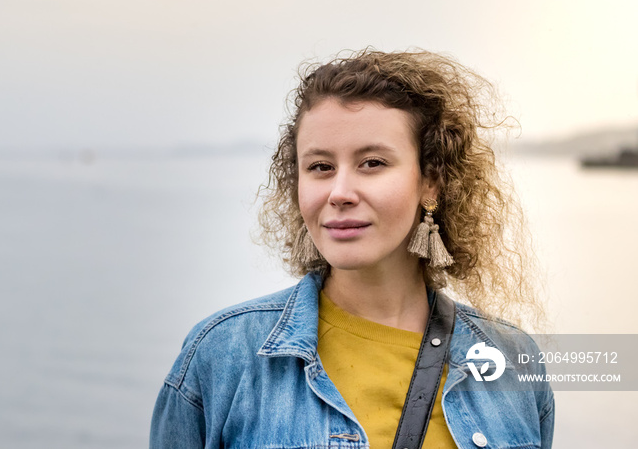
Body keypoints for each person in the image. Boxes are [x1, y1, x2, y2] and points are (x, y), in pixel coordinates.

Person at [150, 49, 554, 449]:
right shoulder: (222, 356)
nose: (339, 193)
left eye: (372, 163)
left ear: (430, 181)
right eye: (320, 167)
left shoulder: (513, 361)